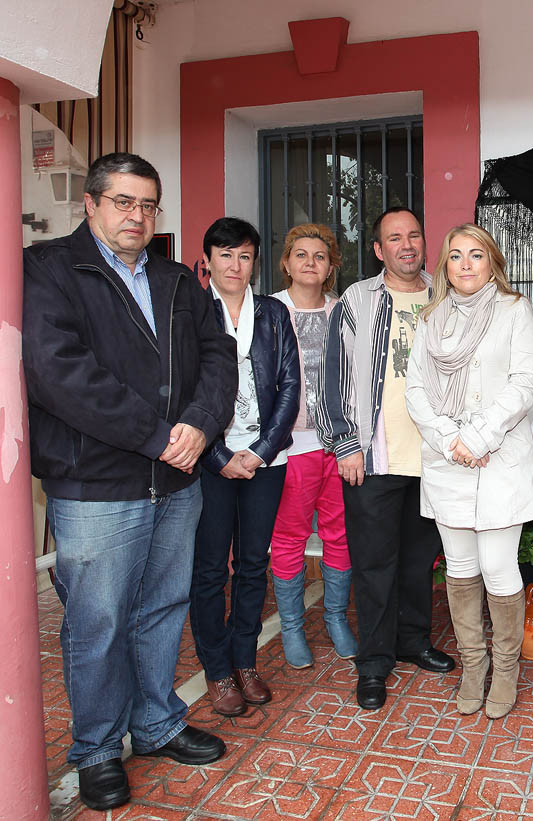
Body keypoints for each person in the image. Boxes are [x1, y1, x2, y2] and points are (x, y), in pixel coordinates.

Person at [22, 153, 237, 811]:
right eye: (123, 201)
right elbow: (59, 373)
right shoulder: (49, 269)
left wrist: (199, 425)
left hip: (176, 484)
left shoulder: (175, 277)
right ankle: (95, 750)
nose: (137, 216)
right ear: (90, 203)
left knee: (162, 608)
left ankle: (157, 724)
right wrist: (157, 436)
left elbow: (219, 354)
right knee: (98, 622)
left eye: (148, 204)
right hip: (95, 487)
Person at [316, 206, 455, 711]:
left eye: (414, 235)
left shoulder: (449, 295)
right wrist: (345, 443)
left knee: (419, 560)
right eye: (394, 238)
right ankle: (374, 661)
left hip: (437, 459)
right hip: (374, 457)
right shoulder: (356, 300)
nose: (406, 245)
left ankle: (413, 641)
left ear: (424, 241)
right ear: (378, 250)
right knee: (375, 564)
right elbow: (330, 378)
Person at [405, 224, 533, 719]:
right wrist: (449, 440)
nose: (466, 264)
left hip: (499, 455)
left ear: (492, 263)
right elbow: (416, 390)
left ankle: (506, 671)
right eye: (456, 255)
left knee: (500, 567)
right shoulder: (432, 318)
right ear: (445, 265)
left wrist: (479, 436)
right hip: (448, 460)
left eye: (476, 255)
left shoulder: (514, 311)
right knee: (460, 567)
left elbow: (524, 385)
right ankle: (473, 667)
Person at [188, 218, 300, 716]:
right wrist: (217, 457)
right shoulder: (191, 311)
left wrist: (261, 451)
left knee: (255, 564)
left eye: (246, 255)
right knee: (211, 569)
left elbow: (290, 386)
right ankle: (216, 671)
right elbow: (183, 391)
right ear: (208, 259)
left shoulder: (274, 313)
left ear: (256, 261)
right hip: (208, 461)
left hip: (263, 460)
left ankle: (245, 661)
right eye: (226, 254)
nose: (236, 265)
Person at [269, 224, 357, 668]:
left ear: (330, 268)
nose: (309, 262)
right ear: (286, 263)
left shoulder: (344, 312)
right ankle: (290, 628)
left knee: (341, 535)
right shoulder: (268, 311)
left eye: (319, 256)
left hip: (340, 444)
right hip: (291, 445)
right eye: (300, 254)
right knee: (290, 535)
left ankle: (336, 619)